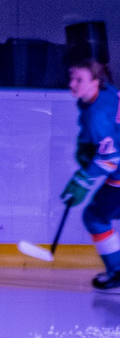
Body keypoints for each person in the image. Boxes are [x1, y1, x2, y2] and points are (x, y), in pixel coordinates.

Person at [62, 57, 120, 290]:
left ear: (96, 81)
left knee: (95, 217)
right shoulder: (104, 92)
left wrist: (82, 180)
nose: (72, 84)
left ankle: (116, 270)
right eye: (71, 78)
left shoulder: (97, 116)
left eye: (80, 79)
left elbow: (111, 159)